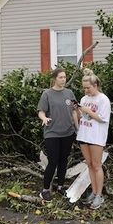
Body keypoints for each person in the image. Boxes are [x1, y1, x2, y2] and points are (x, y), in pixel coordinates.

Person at [37, 68, 78, 201]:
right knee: (53, 161)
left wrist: (77, 128)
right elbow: (41, 111)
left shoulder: (69, 93)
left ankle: (60, 187)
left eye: (65, 77)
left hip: (68, 132)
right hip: (52, 133)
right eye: (60, 77)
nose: (63, 79)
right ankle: (45, 190)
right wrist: (44, 118)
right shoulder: (47, 94)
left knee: (63, 160)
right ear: (55, 79)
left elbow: (74, 111)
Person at [76, 68, 111, 209]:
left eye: (88, 88)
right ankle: (93, 191)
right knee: (89, 164)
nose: (86, 91)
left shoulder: (103, 99)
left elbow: (103, 119)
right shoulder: (84, 99)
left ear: (95, 85)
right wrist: (78, 111)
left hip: (96, 136)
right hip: (84, 134)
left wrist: (88, 111)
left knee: (97, 165)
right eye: (84, 88)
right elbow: (82, 117)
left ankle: (99, 195)